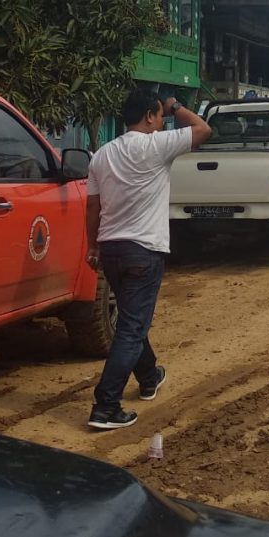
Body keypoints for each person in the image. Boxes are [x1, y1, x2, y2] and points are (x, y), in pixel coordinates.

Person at [85, 91, 211, 430]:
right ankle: (105, 406)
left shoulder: (102, 155)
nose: (163, 121)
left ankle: (149, 375)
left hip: (111, 249)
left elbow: (92, 208)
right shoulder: (157, 145)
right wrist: (177, 106)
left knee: (130, 320)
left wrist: (92, 247)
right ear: (149, 116)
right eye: (160, 115)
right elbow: (203, 129)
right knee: (130, 328)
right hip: (144, 250)